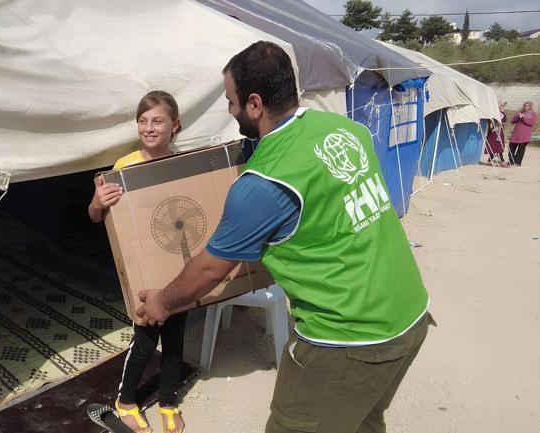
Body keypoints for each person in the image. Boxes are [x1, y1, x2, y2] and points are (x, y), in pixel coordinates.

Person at [137, 41, 434, 433]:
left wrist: (162, 301)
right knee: (361, 422)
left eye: (231, 101)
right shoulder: (345, 129)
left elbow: (209, 269)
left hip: (350, 340)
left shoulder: (263, 182)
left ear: (255, 104)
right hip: (410, 313)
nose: (230, 110)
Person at [87, 90, 186, 433]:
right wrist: (99, 201)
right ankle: (126, 400)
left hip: (177, 268)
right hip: (142, 270)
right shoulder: (123, 167)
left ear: (175, 126)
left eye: (157, 120)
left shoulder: (182, 165)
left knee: (175, 338)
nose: (148, 127)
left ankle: (169, 401)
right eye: (142, 121)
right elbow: (95, 216)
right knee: (145, 338)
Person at [508, 101, 537, 167]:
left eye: (527, 106)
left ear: (530, 107)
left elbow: (531, 123)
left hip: (525, 136)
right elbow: (512, 121)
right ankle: (511, 162)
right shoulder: (520, 113)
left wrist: (523, 117)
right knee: (511, 148)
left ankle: (517, 163)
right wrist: (517, 116)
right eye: (524, 106)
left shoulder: (533, 114)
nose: (525, 107)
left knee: (520, 150)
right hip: (516, 135)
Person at [485, 101, 507, 166]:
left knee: (499, 146)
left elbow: (503, 120)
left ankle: (496, 161)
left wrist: (502, 112)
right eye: (500, 105)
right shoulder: (492, 113)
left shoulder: (502, 114)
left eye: (502, 106)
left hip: (500, 132)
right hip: (493, 132)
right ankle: (500, 161)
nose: (501, 107)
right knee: (493, 146)